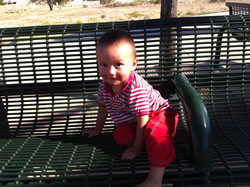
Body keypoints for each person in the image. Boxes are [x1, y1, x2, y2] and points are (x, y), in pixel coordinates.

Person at [82, 29, 178, 187]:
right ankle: (154, 147)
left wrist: (136, 147)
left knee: (155, 135)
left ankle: (154, 181)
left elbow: (143, 118)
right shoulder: (104, 87)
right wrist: (97, 129)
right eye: (103, 64)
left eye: (118, 64)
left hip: (161, 114)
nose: (110, 72)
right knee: (120, 135)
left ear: (134, 64)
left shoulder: (135, 88)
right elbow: (103, 107)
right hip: (136, 122)